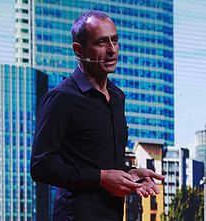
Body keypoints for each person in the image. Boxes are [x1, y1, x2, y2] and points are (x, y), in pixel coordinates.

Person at [30, 11, 165, 221]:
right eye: (102, 42)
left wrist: (131, 174)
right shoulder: (61, 98)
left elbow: (101, 161)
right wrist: (101, 178)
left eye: (115, 40)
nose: (112, 50)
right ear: (79, 49)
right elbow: (41, 166)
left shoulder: (118, 97)